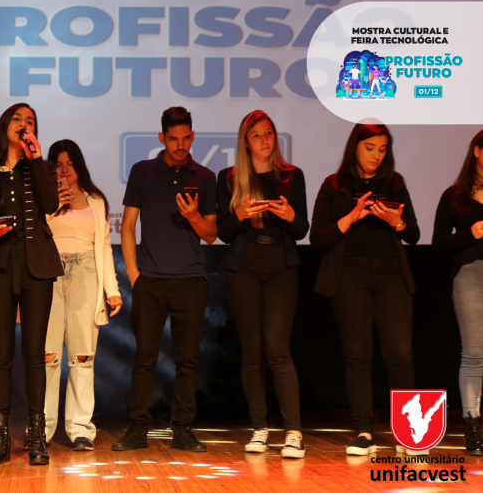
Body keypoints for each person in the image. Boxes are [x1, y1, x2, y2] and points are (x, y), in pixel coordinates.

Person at [309, 121, 420, 456]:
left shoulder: (394, 183)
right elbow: (317, 240)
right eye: (369, 148)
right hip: (349, 276)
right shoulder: (334, 185)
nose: (376, 156)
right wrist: (351, 217)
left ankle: (408, 435)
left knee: (400, 353)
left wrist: (396, 222)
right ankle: (364, 432)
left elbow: (413, 234)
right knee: (357, 354)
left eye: (382, 149)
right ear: (354, 147)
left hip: (391, 275)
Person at [114, 106, 217, 453]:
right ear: (162, 137)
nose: (180, 145)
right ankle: (137, 429)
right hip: (151, 280)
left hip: (191, 279)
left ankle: (183, 430)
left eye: (186, 138)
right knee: (144, 358)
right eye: (173, 139)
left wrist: (194, 217)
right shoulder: (142, 171)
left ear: (192, 136)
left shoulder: (205, 177)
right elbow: (128, 225)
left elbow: (211, 234)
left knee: (187, 359)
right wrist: (134, 274)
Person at [0, 103, 62, 465]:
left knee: (34, 353)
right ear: (5, 124)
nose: (24, 125)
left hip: (37, 266)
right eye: (18, 119)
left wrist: (34, 158)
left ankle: (37, 436)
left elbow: (50, 204)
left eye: (30, 121)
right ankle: (1, 435)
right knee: (1, 354)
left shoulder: (42, 167)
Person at [216, 111, 308, 458]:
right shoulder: (229, 178)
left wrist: (290, 216)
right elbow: (223, 233)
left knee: (277, 347)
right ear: (246, 141)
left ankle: (294, 432)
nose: (265, 140)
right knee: (252, 350)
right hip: (244, 267)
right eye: (257, 135)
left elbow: (302, 229)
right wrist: (239, 215)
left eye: (269, 133)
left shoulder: (291, 175)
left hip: (281, 266)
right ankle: (259, 429)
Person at [42, 139, 122, 451]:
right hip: (49, 275)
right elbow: (33, 237)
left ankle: (80, 429)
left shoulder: (95, 200)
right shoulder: (42, 198)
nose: (65, 171)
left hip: (86, 274)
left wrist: (112, 291)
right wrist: (52, 204)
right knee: (47, 357)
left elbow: (103, 246)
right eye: (58, 165)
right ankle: (42, 429)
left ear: (79, 166)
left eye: (70, 164)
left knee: (82, 357)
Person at [431, 129, 483, 456]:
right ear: (477, 151)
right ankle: (473, 424)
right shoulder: (455, 196)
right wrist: (471, 233)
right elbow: (438, 244)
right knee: (475, 352)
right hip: (470, 274)